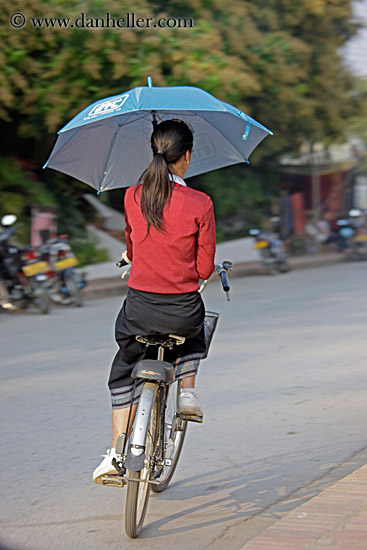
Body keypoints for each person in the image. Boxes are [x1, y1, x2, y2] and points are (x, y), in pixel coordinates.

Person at [93, 119, 216, 484]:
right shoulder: (200, 202)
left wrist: (136, 256)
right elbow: (204, 267)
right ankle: (188, 392)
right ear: (187, 156)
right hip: (181, 312)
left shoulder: (133, 196)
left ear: (154, 152)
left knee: (122, 368)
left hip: (139, 310)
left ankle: (116, 454)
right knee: (198, 323)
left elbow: (132, 247)